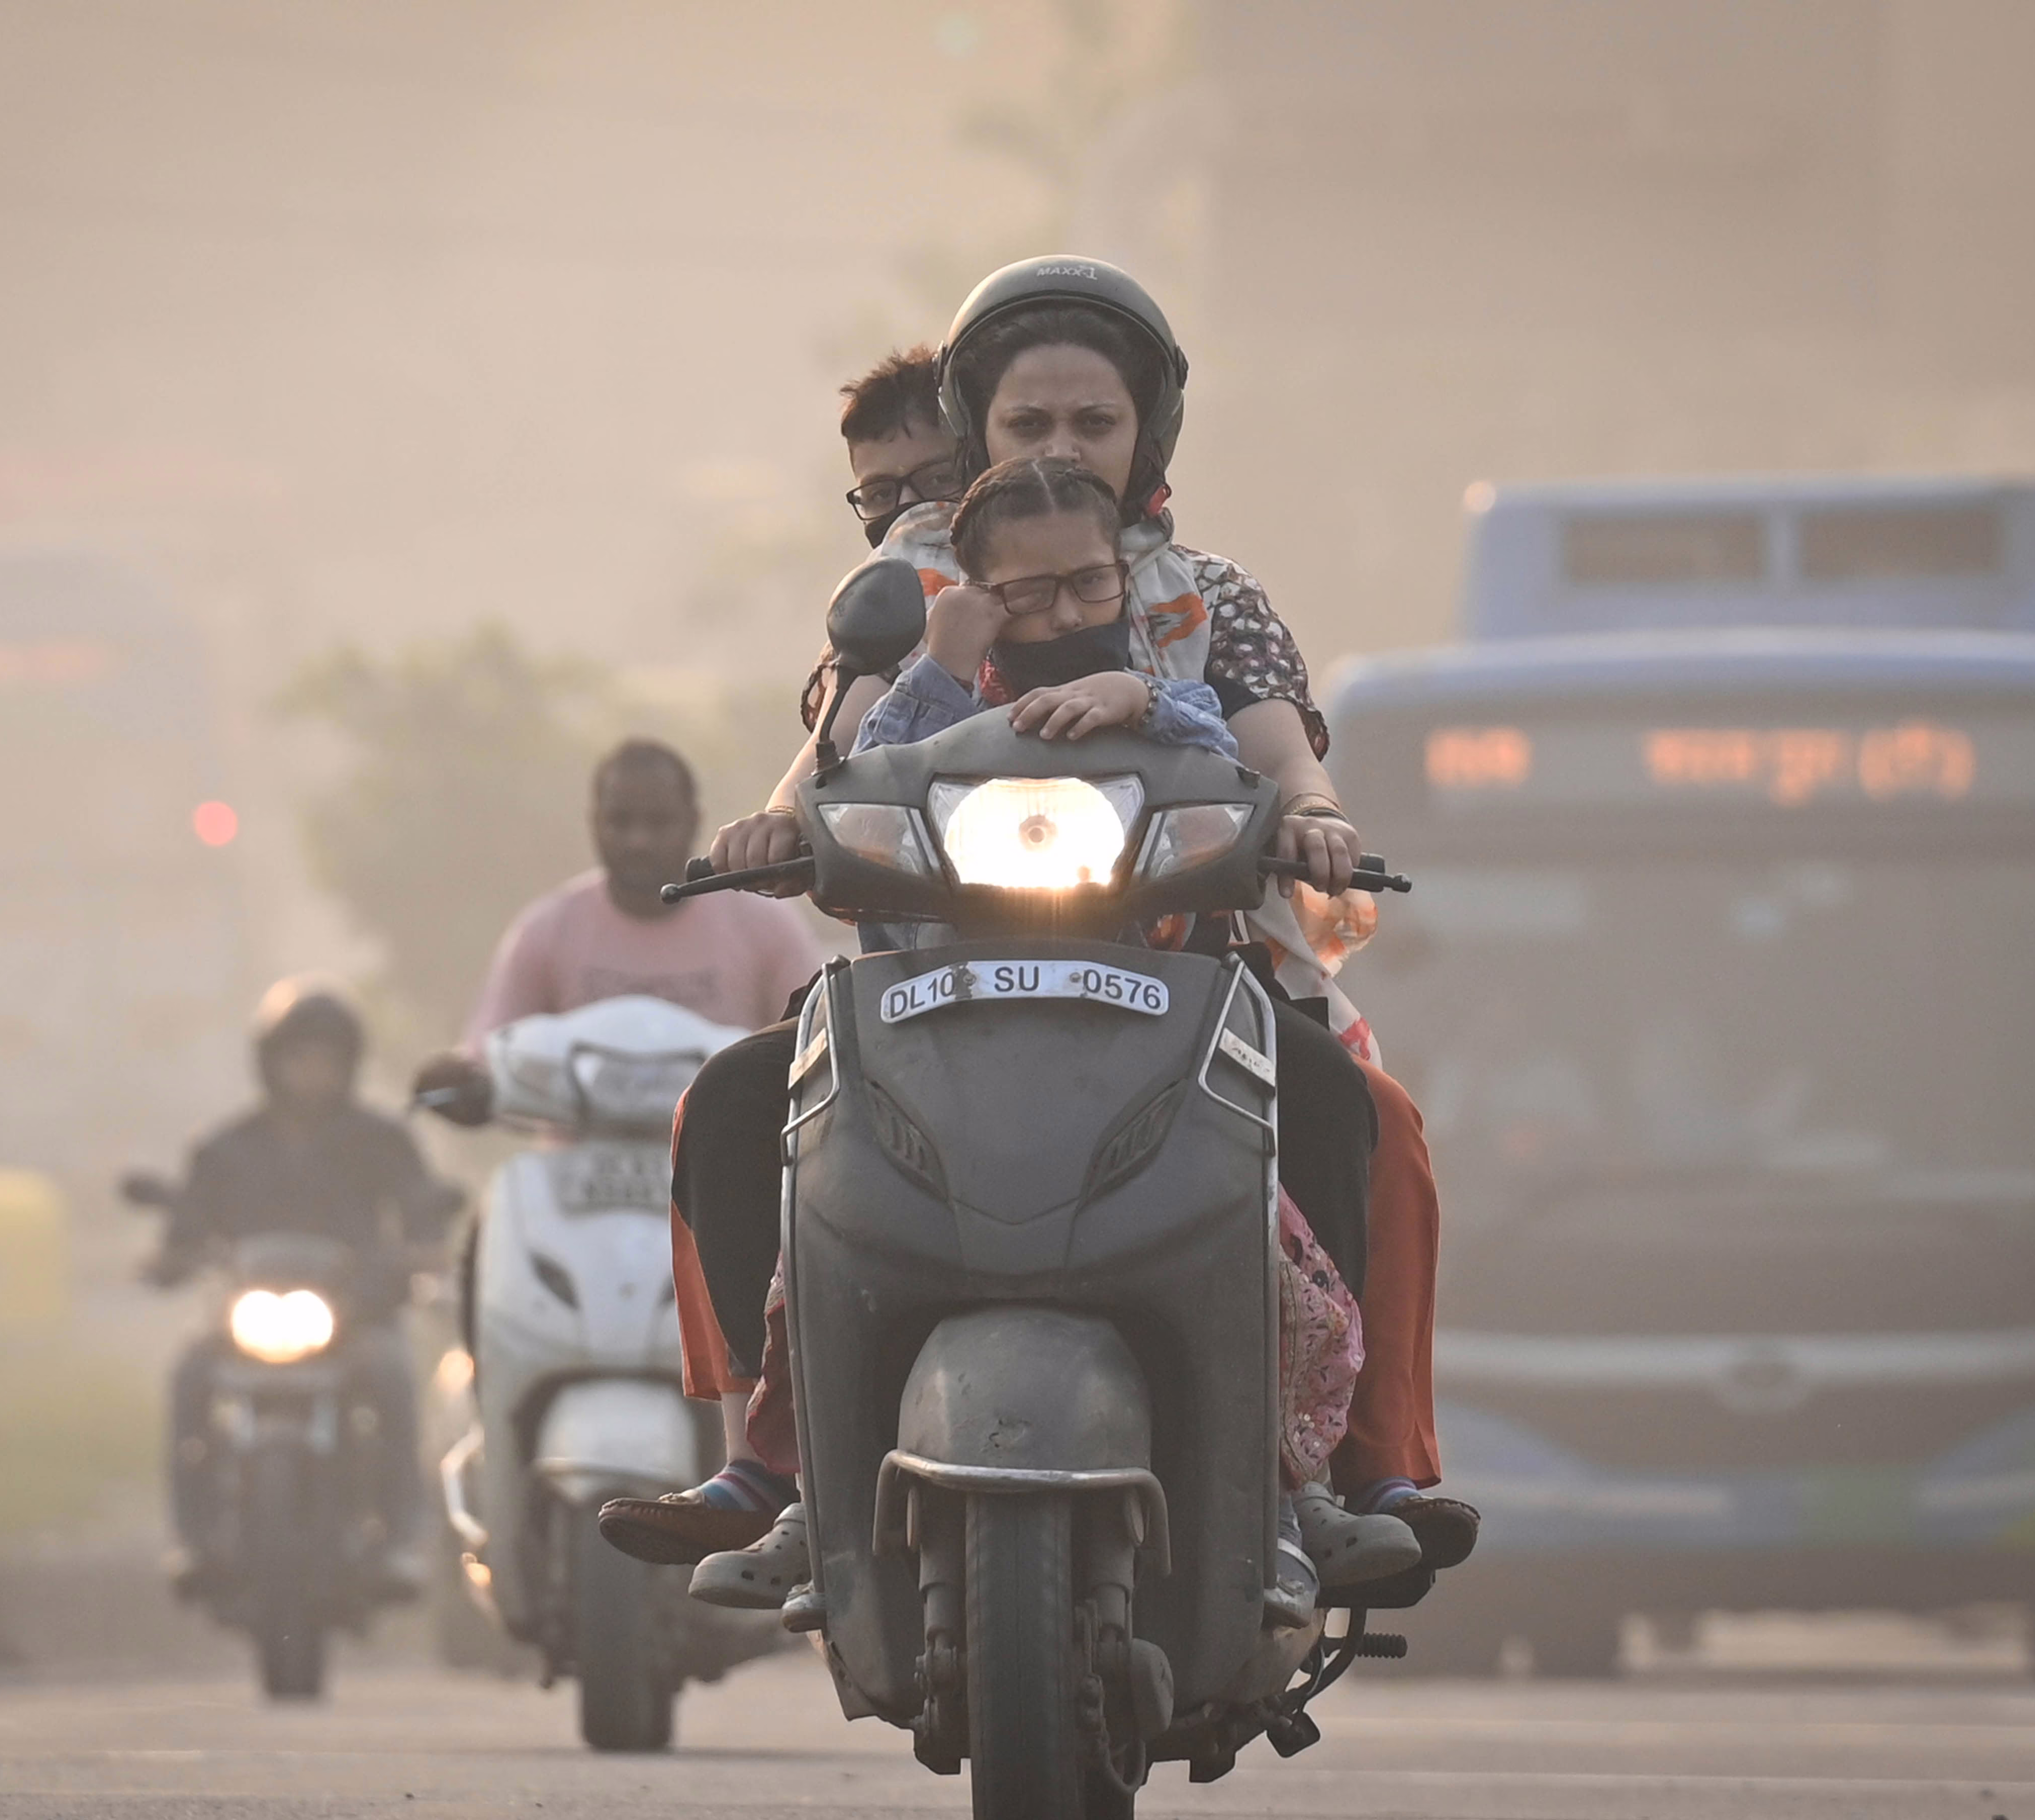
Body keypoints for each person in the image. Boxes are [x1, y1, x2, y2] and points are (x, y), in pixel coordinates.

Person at [627, 258, 1474, 1584]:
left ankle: (1355, 1470)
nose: (1067, 448)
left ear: (1151, 437)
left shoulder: (1204, 598)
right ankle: (777, 1465)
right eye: (1030, 427)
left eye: (1097, 423)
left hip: (1180, 970)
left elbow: (1271, 746)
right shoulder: (921, 598)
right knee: (732, 1107)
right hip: (931, 975)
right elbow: (839, 750)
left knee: (1360, 1117)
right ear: (979, 435)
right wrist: (777, 824)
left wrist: (1314, 814)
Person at [149, 977, 466, 1596]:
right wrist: (170, 1256)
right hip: (243, 1323)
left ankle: (401, 1540)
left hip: (357, 1317)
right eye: (298, 1057)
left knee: (395, 1379)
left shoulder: (382, 1140)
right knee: (189, 1378)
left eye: (326, 1058)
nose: (312, 1071)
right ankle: (194, 1536)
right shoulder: (224, 1148)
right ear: (269, 1063)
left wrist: (422, 1247)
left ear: (348, 1065)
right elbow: (187, 1221)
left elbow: (421, 1207)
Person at [410, 740, 826, 1125]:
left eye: (658, 822)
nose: (639, 841)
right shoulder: (548, 929)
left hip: (717, 1172)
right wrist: (459, 1077)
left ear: (693, 822)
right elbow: (489, 1050)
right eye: (621, 822)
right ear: (595, 823)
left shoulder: (764, 925)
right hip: (569, 1185)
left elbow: (817, 1038)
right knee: (491, 1208)